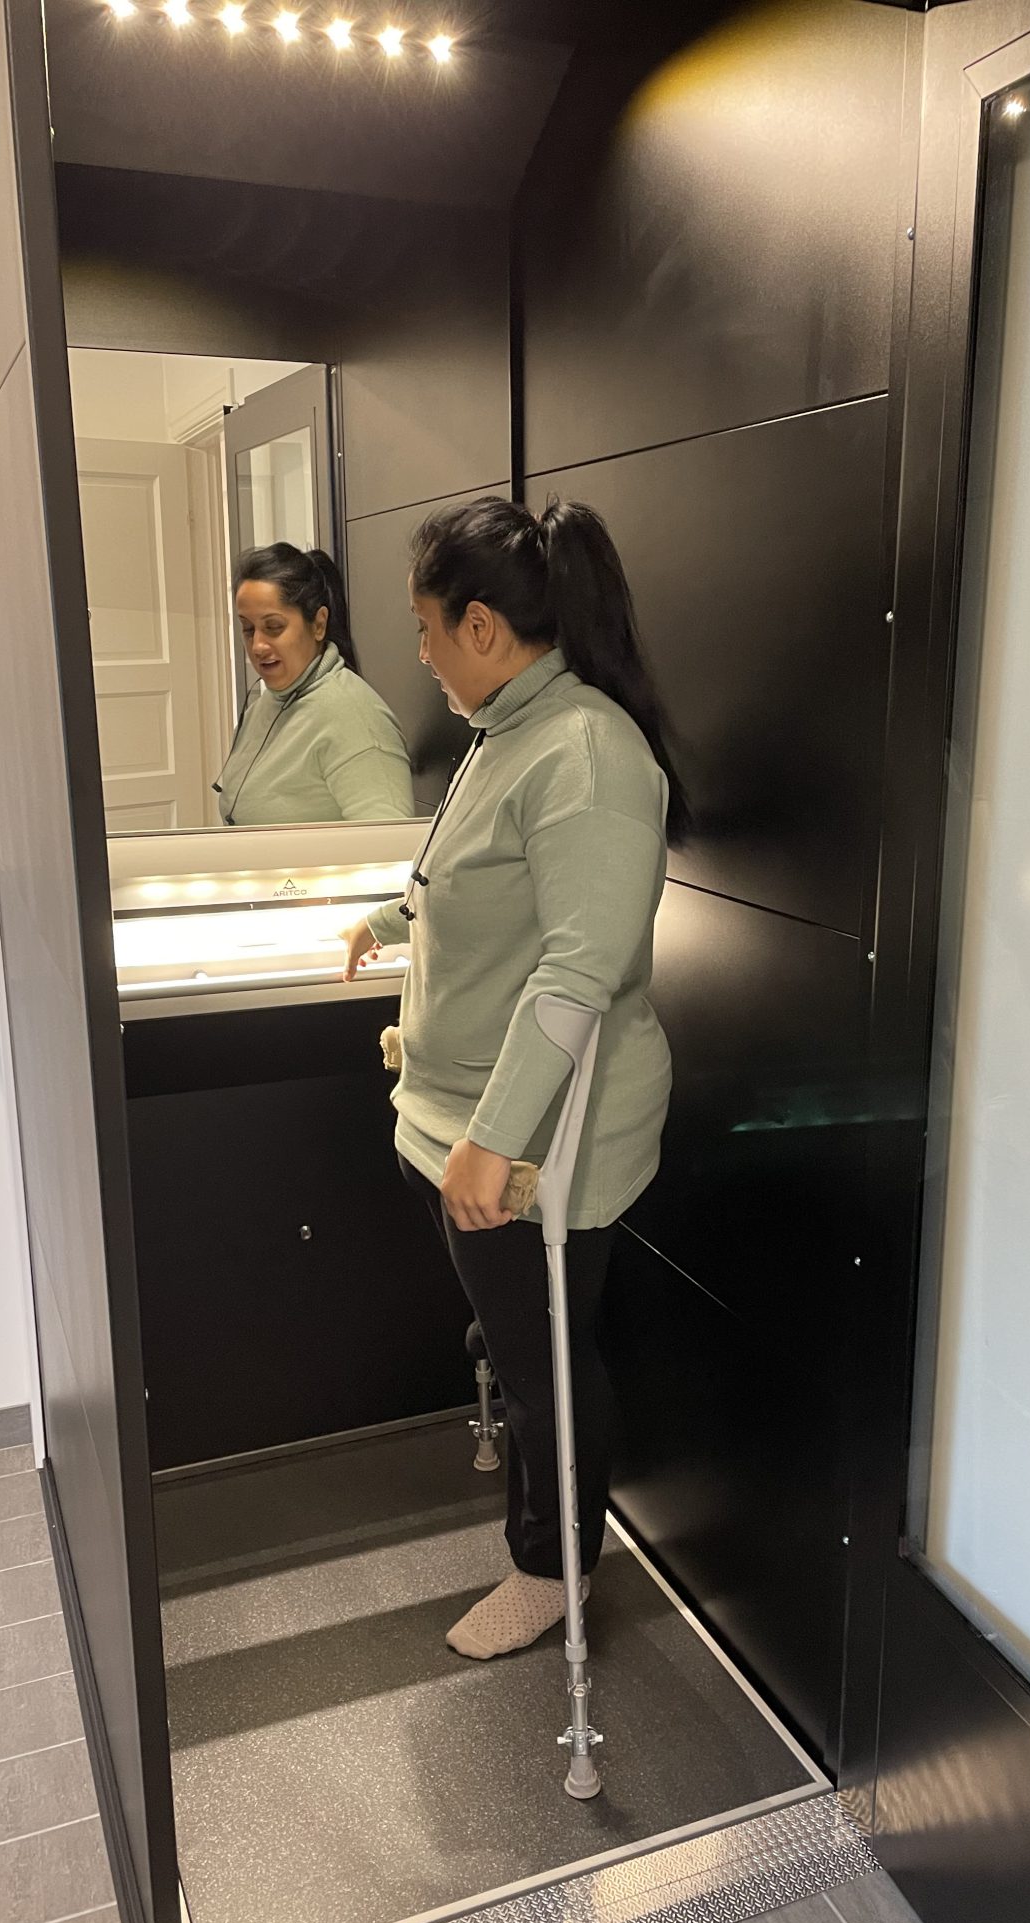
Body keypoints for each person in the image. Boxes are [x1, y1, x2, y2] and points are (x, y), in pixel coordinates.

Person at [342, 496, 689, 1659]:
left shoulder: (585, 751)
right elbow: (480, 875)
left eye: (428, 628)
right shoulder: (510, 731)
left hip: (532, 1134)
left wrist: (495, 1138)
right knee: (520, 1335)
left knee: (547, 1359)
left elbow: (579, 967)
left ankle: (554, 1567)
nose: (422, 651)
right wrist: (397, 916)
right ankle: (550, 1536)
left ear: (483, 624)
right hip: (464, 1119)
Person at [215, 543, 414, 824]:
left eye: (273, 627)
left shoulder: (355, 720)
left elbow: (387, 850)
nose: (257, 645)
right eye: (248, 629)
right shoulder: (264, 705)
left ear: (319, 624)